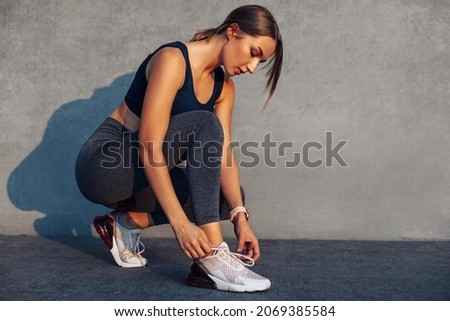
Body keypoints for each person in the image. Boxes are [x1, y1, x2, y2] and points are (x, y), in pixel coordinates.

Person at [75, 4, 283, 293]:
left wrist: (240, 218)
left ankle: (125, 223)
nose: (251, 68)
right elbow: (149, 145)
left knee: (227, 197)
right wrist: (180, 223)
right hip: (103, 165)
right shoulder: (172, 59)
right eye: (254, 53)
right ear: (233, 31)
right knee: (204, 123)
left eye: (259, 63)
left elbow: (222, 155)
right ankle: (212, 257)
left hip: (141, 175)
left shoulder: (224, 87)